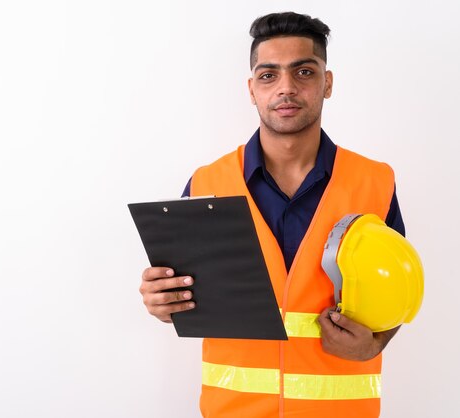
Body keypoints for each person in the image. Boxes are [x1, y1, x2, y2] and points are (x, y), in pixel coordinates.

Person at [138, 12, 405, 418]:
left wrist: (374, 343)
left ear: (327, 83)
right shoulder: (207, 183)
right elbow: (184, 292)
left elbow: (396, 296)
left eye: (303, 71)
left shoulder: (375, 182)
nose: (286, 88)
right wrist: (161, 300)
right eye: (268, 75)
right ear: (251, 89)